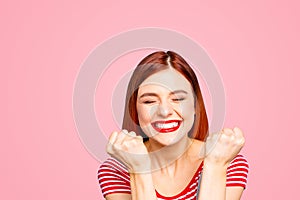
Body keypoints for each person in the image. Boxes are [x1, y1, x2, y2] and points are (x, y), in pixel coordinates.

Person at [98, 51, 249, 200]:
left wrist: (216, 165)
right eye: (149, 101)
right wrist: (139, 168)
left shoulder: (227, 161)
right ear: (135, 111)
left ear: (196, 105)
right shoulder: (116, 170)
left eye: (177, 98)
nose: (164, 111)